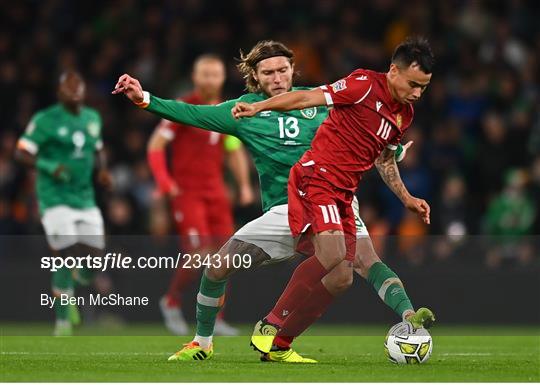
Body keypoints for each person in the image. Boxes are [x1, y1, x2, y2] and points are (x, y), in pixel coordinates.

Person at [113, 40, 432, 363]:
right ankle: (202, 342)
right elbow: (193, 113)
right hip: (285, 207)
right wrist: (145, 100)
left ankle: (284, 343)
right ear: (255, 75)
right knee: (218, 267)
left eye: (282, 70)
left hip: (334, 197)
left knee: (348, 271)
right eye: (268, 73)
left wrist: (395, 163)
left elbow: (366, 137)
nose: (277, 78)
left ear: (292, 70)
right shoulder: (243, 110)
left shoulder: (325, 103)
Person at [232, 36, 436, 357]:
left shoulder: (403, 115)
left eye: (423, 87)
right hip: (317, 176)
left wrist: (407, 198)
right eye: (412, 84)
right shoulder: (362, 85)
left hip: (343, 191)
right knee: (331, 254)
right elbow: (305, 99)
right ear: (393, 71)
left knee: (345, 276)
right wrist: (258, 106)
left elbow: (383, 158)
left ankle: (281, 345)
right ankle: (270, 322)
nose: (416, 93)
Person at [147, 54, 253, 336]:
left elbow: (233, 150)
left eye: (215, 74)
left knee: (226, 256)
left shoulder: (226, 110)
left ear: (222, 78)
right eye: (204, 74)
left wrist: (243, 184)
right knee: (198, 252)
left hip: (216, 192)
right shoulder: (182, 108)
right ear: (195, 78)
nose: (209, 79)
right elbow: (156, 145)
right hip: (188, 192)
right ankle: (170, 301)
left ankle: (216, 318)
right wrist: (164, 181)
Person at [15, 70, 112, 336]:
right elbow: (21, 152)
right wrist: (47, 165)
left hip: (84, 197)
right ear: (59, 92)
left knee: (94, 260)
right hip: (54, 197)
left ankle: (76, 281)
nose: (76, 91)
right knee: (66, 251)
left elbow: (97, 148)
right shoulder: (45, 120)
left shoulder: (92, 118)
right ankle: (63, 323)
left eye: (79, 86)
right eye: (69, 88)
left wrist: (102, 170)